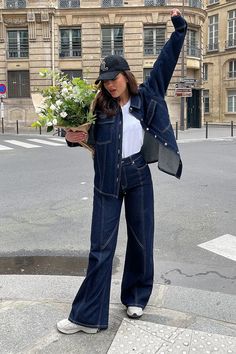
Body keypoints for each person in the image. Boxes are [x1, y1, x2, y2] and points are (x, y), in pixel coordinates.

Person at [57, 8, 187, 334]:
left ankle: (136, 297)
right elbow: (82, 133)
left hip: (138, 176)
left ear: (126, 76)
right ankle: (86, 316)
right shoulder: (99, 106)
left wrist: (180, 30)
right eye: (104, 82)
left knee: (141, 240)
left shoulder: (147, 97)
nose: (109, 86)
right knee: (100, 248)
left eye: (113, 79)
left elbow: (165, 62)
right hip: (106, 181)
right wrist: (72, 137)